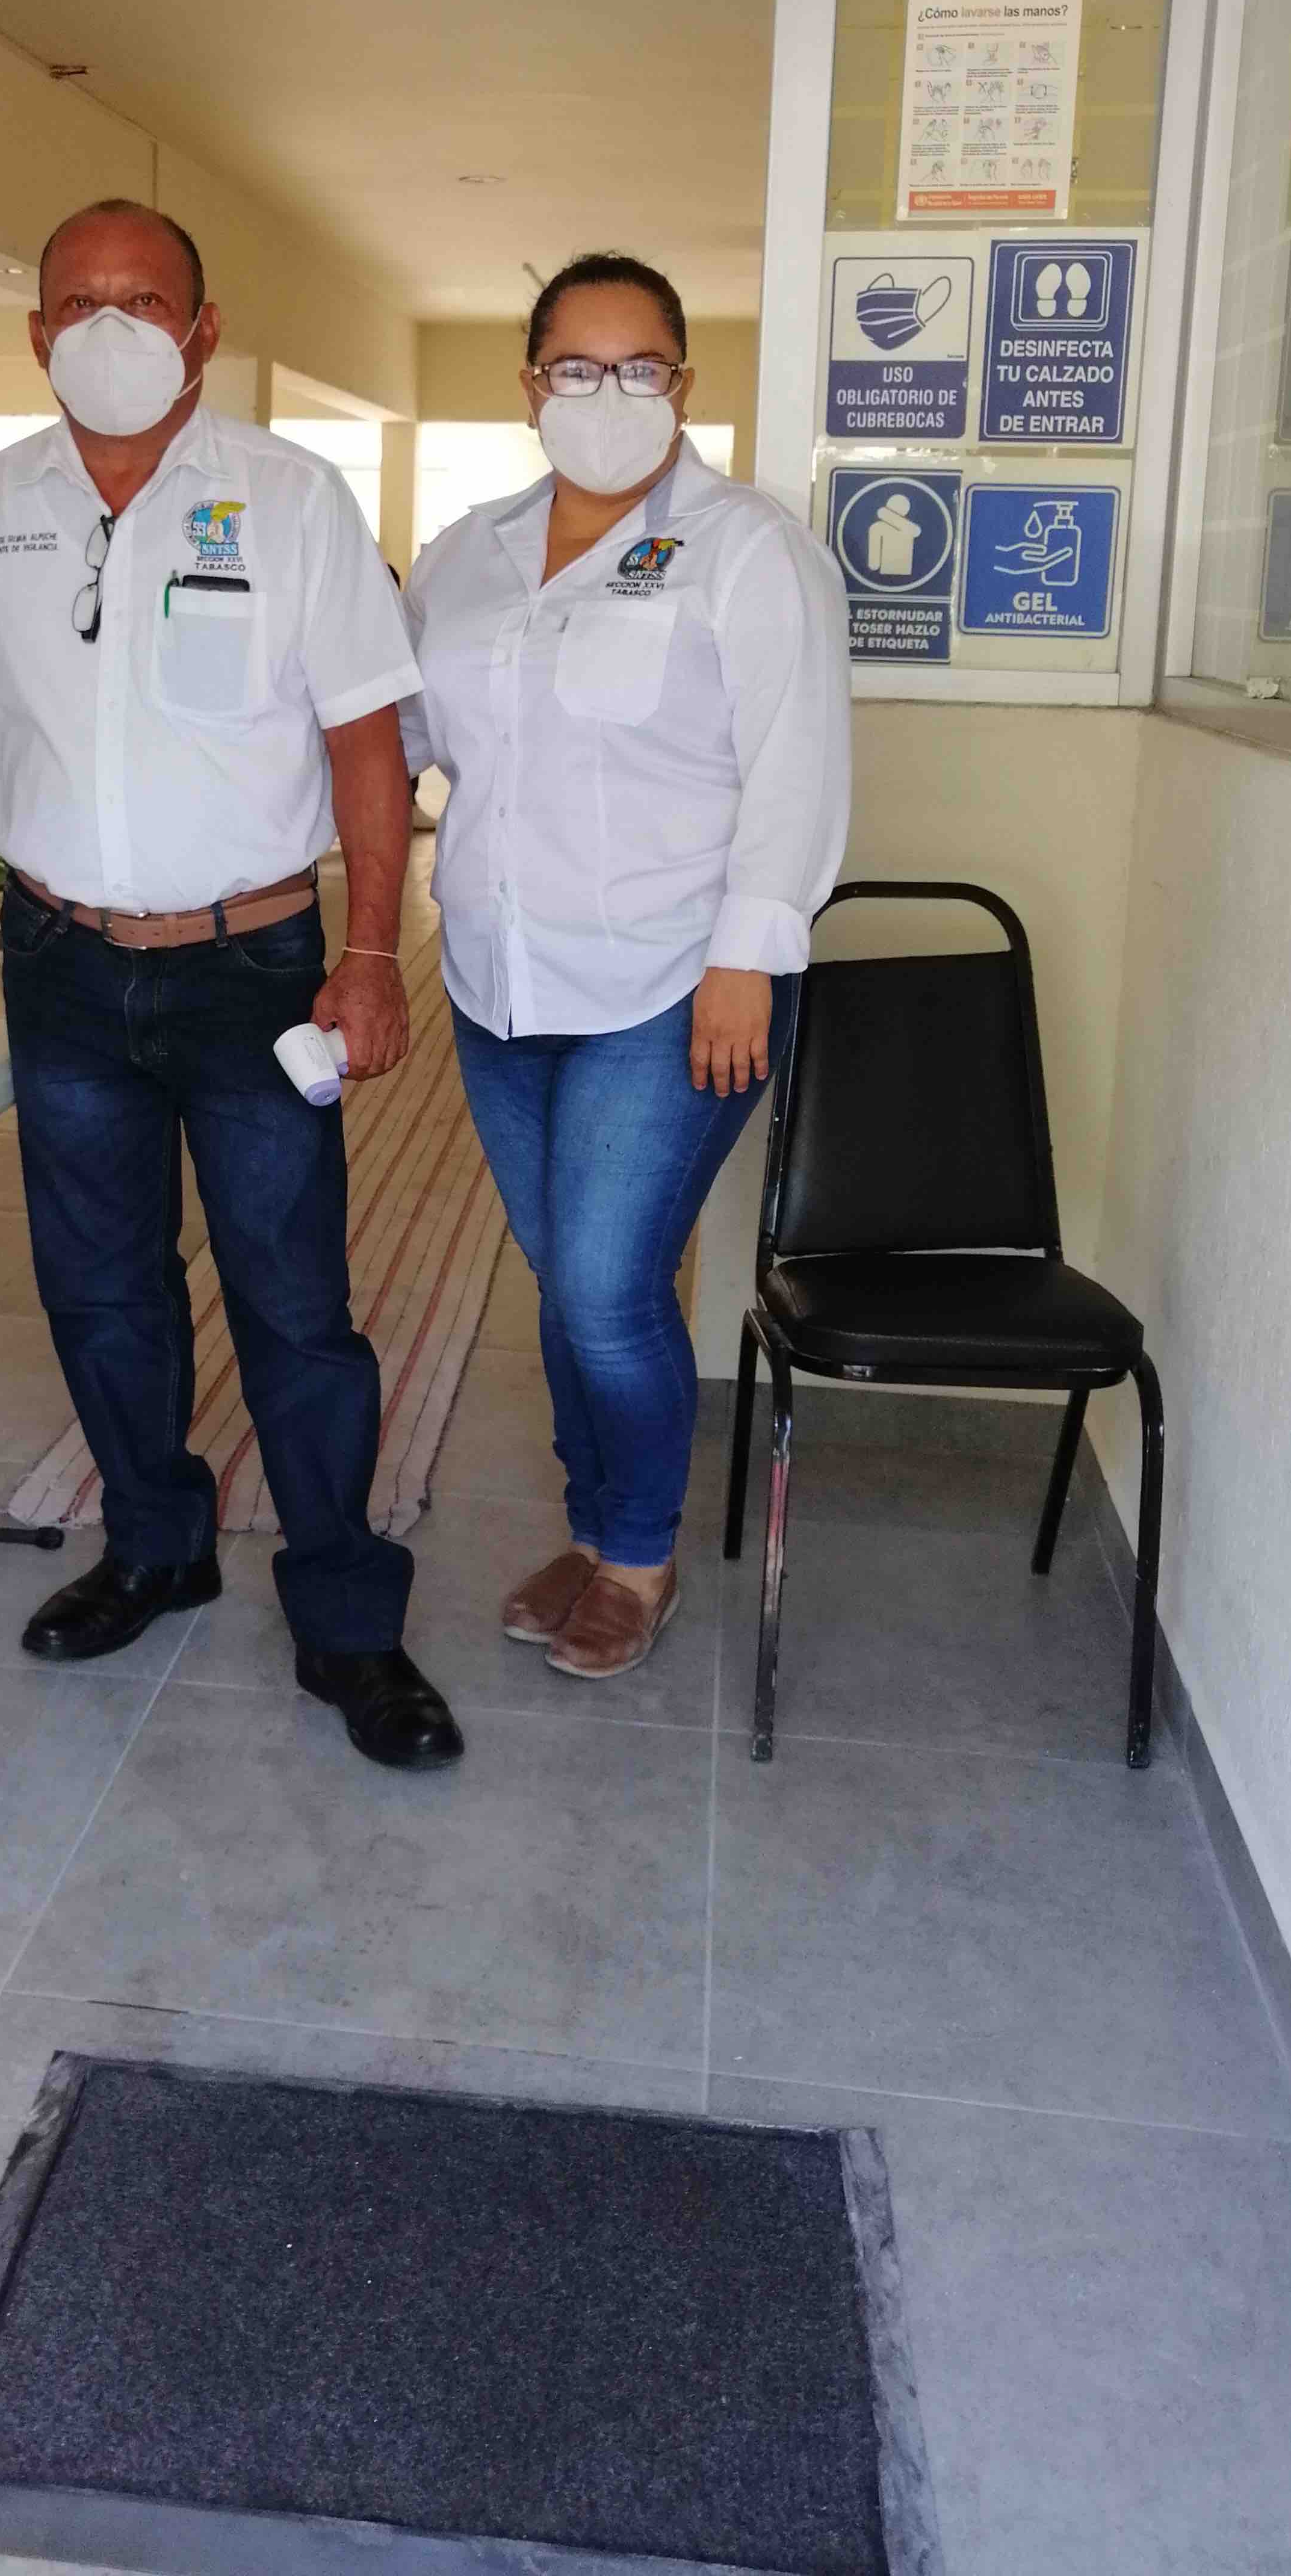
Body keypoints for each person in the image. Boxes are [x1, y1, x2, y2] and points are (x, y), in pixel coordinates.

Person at [0, 197, 460, 1768]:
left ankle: (348, 1619)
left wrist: (368, 956)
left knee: (293, 1303)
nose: (110, 327)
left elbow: (365, 740)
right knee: (99, 1287)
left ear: (203, 331)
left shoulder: (291, 500)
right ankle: (156, 1545)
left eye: (144, 300)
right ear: (36, 333)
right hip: (62, 961)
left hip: (255, 966)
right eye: (79, 302)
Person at [402, 253, 850, 1679]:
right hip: (498, 979)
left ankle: (640, 1554)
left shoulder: (746, 548)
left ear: (683, 383)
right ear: (530, 384)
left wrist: (748, 959)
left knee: (604, 1284)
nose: (610, 391)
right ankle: (596, 1527)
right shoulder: (465, 554)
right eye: (577, 367)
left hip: (673, 982)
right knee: (565, 1278)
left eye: (641, 365)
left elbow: (796, 765)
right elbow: (398, 740)